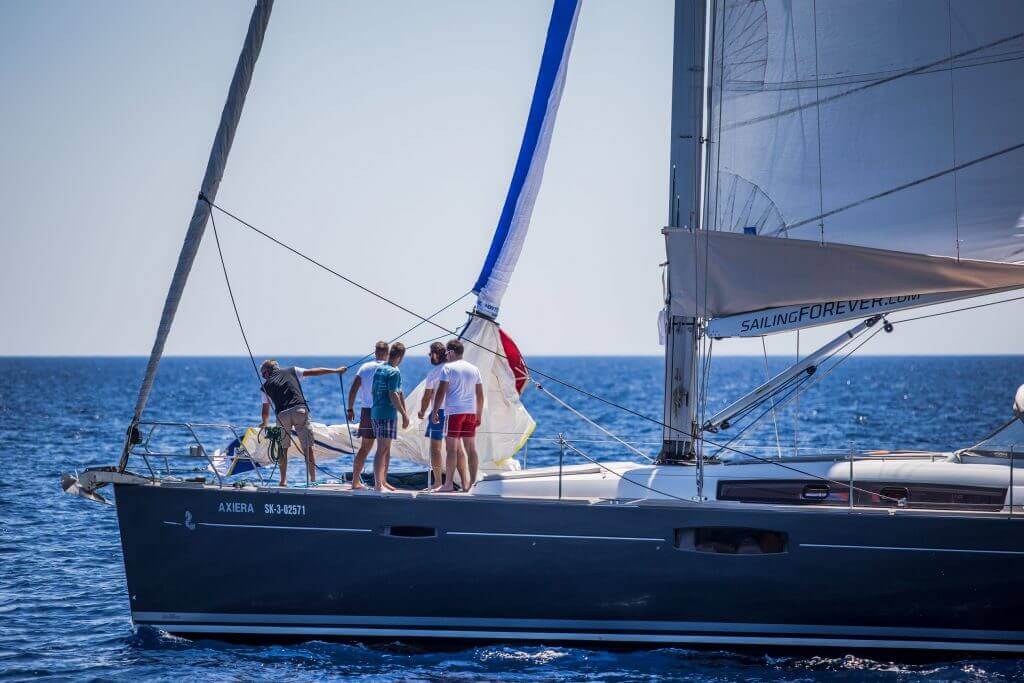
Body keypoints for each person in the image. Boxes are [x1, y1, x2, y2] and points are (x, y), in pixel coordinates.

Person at [259, 359, 347, 487]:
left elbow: (265, 411)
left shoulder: (265, 387)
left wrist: (264, 423)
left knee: (283, 449)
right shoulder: (292, 371)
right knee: (307, 447)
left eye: (263, 375)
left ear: (267, 372)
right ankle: (312, 480)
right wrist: (336, 370)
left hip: (282, 415)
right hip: (299, 411)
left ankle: (283, 481)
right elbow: (314, 372)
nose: (263, 377)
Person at [431, 339, 484, 492]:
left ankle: (447, 484)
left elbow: (441, 391)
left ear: (452, 352)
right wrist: (478, 414)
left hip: (454, 413)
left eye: (447, 352)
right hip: (470, 413)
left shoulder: (447, 368)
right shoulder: (474, 369)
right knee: (471, 449)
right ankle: (472, 485)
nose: (446, 356)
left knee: (451, 449)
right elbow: (480, 395)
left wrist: (435, 411)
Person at [418, 342, 467, 490]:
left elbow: (427, 397)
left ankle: (439, 482)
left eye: (430, 354)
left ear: (436, 354)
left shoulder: (434, 373)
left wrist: (421, 411)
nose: (429, 357)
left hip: (438, 413)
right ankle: (465, 483)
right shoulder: (456, 370)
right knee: (458, 449)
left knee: (435, 448)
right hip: (455, 412)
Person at [346, 341, 389, 490]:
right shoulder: (390, 368)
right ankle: (382, 482)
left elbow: (353, 390)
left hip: (367, 411)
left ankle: (355, 482)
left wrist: (350, 409)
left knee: (364, 448)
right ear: (387, 353)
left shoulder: (364, 368)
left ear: (375, 352)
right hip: (383, 411)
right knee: (384, 448)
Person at [371, 342, 410, 492]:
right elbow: (393, 394)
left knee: (385, 449)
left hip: (376, 412)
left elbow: (374, 391)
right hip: (386, 414)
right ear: (400, 357)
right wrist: (404, 415)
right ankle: (378, 484)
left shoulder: (380, 369)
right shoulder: (394, 372)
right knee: (382, 449)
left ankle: (381, 481)